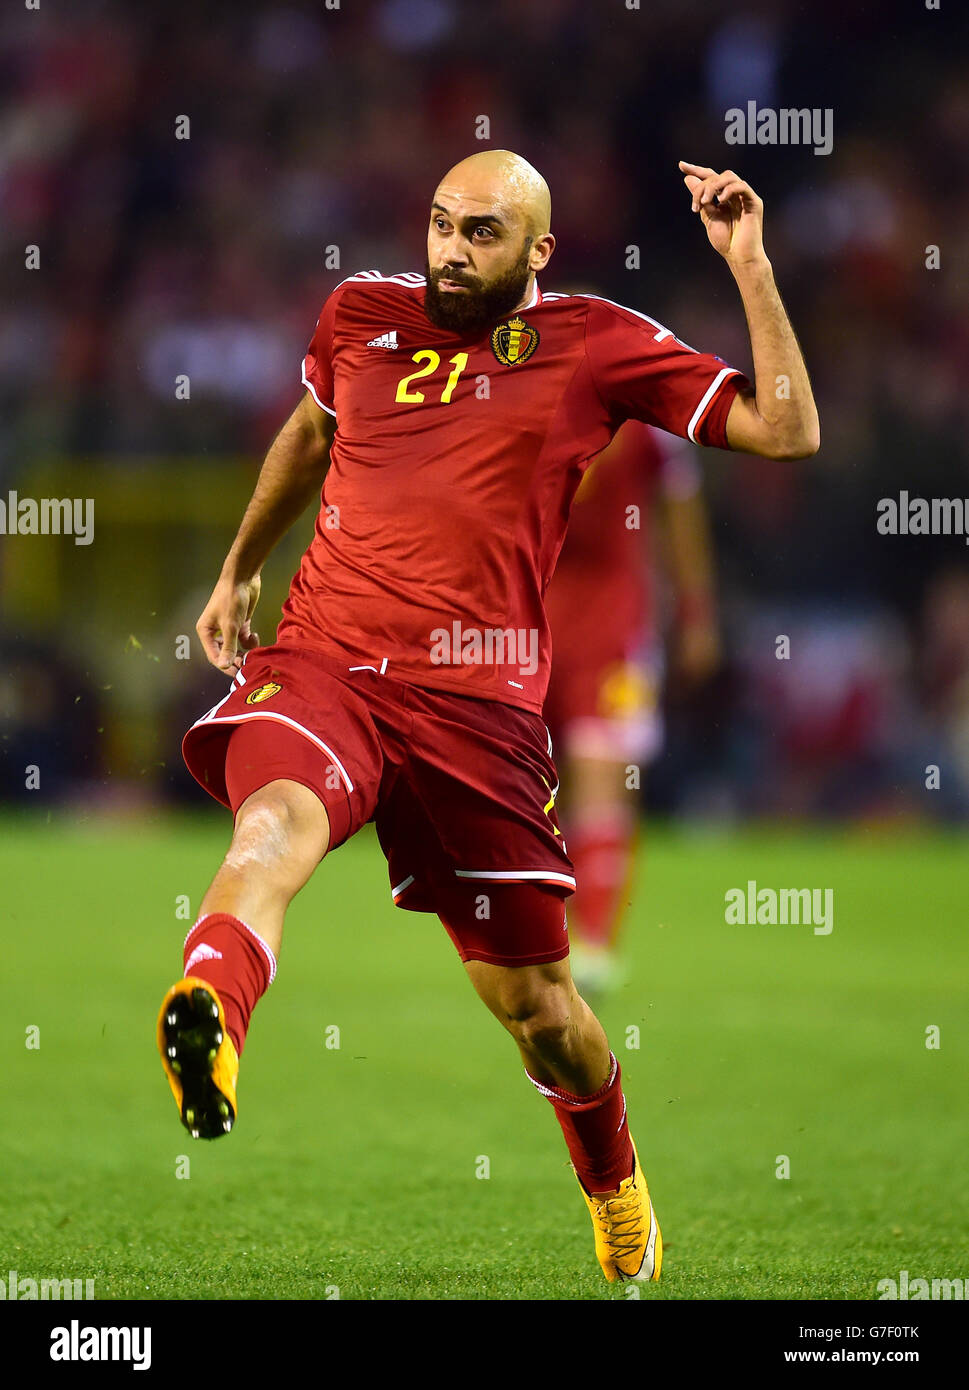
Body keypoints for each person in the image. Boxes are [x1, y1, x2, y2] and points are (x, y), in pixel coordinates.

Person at [157, 149, 819, 1286]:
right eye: (441, 225)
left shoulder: (597, 341)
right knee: (271, 825)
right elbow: (311, 435)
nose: (452, 252)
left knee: (540, 1010)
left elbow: (785, 430)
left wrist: (751, 268)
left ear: (538, 251)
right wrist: (236, 568)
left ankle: (615, 1182)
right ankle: (209, 1019)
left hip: (479, 716)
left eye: (482, 235)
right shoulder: (357, 314)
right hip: (327, 664)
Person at [543, 418, 721, 994]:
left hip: (616, 622)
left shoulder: (644, 404)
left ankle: (592, 943)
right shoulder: (514, 375)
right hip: (523, 615)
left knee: (601, 766)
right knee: (530, 780)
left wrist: (695, 609)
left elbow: (680, 500)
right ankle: (543, 936)